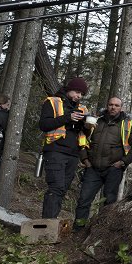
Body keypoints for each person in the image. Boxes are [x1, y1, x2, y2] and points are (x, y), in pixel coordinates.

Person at [73, 97, 132, 229]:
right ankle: (78, 230)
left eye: (116, 105)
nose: (113, 107)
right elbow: (82, 138)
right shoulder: (95, 120)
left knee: (109, 202)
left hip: (114, 169)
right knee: (84, 200)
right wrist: (85, 160)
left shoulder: (127, 124)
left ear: (121, 108)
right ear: (107, 106)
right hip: (92, 168)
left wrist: (123, 162)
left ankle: (101, 231)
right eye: (111, 105)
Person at [39, 77, 91, 219]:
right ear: (68, 89)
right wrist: (68, 117)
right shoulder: (53, 102)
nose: (78, 96)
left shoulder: (82, 109)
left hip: (73, 154)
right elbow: (44, 125)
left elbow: (84, 134)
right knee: (56, 187)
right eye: (76, 91)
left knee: (63, 189)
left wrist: (87, 126)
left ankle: (52, 221)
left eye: (81, 94)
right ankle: (47, 223)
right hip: (55, 150)